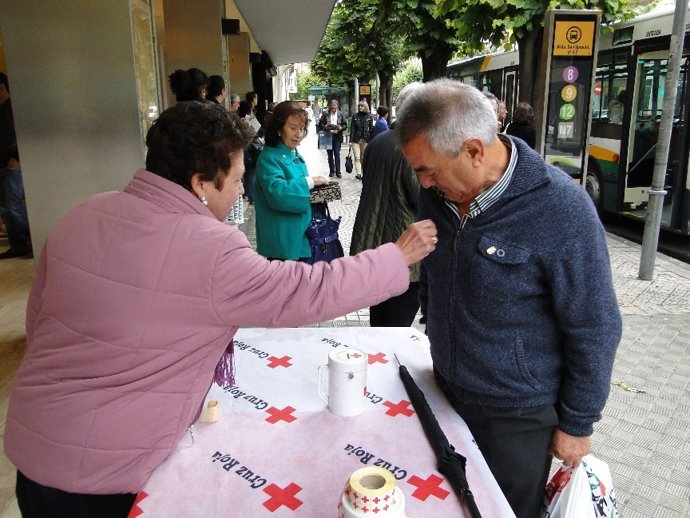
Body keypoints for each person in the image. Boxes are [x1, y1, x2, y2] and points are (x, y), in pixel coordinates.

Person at [4, 101, 438, 517]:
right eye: (234, 180)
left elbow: (40, 321)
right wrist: (395, 257)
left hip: (34, 451)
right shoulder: (209, 248)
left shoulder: (85, 213)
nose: (238, 192)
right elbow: (305, 290)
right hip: (108, 476)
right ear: (200, 183)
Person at [396, 79, 621, 518]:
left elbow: (595, 324)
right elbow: (434, 274)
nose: (423, 183)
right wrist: (434, 323)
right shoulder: (436, 196)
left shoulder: (562, 209)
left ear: (475, 151)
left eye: (430, 171)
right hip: (444, 387)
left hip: (515, 414)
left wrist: (577, 422)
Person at [350, 83, 423, 326]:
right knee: (397, 325)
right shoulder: (412, 149)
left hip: (373, 245)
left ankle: (375, 361)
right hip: (403, 248)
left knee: (378, 320)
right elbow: (420, 198)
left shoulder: (379, 141)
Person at [255, 101, 328, 259]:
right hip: (283, 241)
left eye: (301, 129)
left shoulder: (293, 154)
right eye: (293, 128)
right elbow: (276, 192)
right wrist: (310, 182)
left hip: (299, 236)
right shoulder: (269, 157)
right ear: (279, 129)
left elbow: (302, 194)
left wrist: (322, 194)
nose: (299, 134)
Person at [0, 72, 32, 259]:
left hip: (12, 166)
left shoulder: (14, 109)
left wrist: (18, 159)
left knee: (13, 207)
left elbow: (26, 135)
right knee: (4, 209)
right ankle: (17, 245)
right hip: (2, 165)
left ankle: (28, 244)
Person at [317, 99, 347, 178]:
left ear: (337, 107)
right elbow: (320, 124)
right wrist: (325, 126)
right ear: (330, 107)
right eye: (332, 108)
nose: (334, 109)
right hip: (328, 135)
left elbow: (345, 125)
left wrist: (341, 127)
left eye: (335, 108)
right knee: (330, 155)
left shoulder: (341, 114)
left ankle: (338, 172)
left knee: (337, 154)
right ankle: (331, 171)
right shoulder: (325, 114)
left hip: (337, 136)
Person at [349, 100, 373, 180]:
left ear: (365, 107)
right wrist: (350, 140)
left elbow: (371, 128)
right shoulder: (355, 116)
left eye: (361, 106)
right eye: (359, 106)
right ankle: (358, 173)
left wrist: (370, 138)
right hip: (356, 139)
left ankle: (364, 172)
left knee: (363, 157)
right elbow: (352, 129)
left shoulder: (369, 116)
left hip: (365, 140)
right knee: (357, 157)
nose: (360, 107)